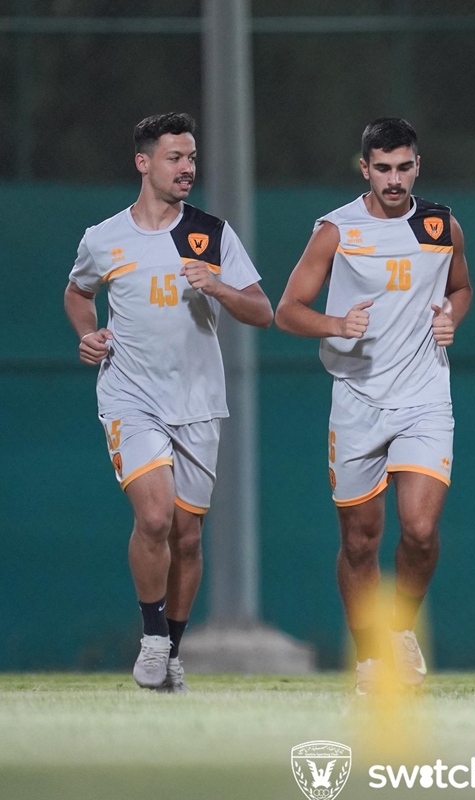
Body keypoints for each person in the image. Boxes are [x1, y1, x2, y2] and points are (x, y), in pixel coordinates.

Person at [63, 112, 273, 693]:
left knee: (186, 537)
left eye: (192, 158)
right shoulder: (103, 238)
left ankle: (172, 652)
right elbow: (78, 293)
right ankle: (153, 638)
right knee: (154, 517)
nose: (187, 168)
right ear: (144, 163)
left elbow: (263, 311)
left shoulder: (211, 233)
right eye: (175, 158)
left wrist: (218, 286)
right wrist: (88, 333)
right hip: (130, 397)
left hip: (198, 402)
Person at [275, 118, 472, 694]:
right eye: (382, 168)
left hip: (424, 396)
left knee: (421, 529)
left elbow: (461, 288)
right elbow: (288, 309)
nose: (394, 179)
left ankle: (401, 630)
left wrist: (451, 317)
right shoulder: (336, 230)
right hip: (357, 399)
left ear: (418, 166)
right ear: (364, 168)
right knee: (360, 540)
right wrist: (336, 324)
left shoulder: (441, 225)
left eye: (404, 167)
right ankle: (368, 657)